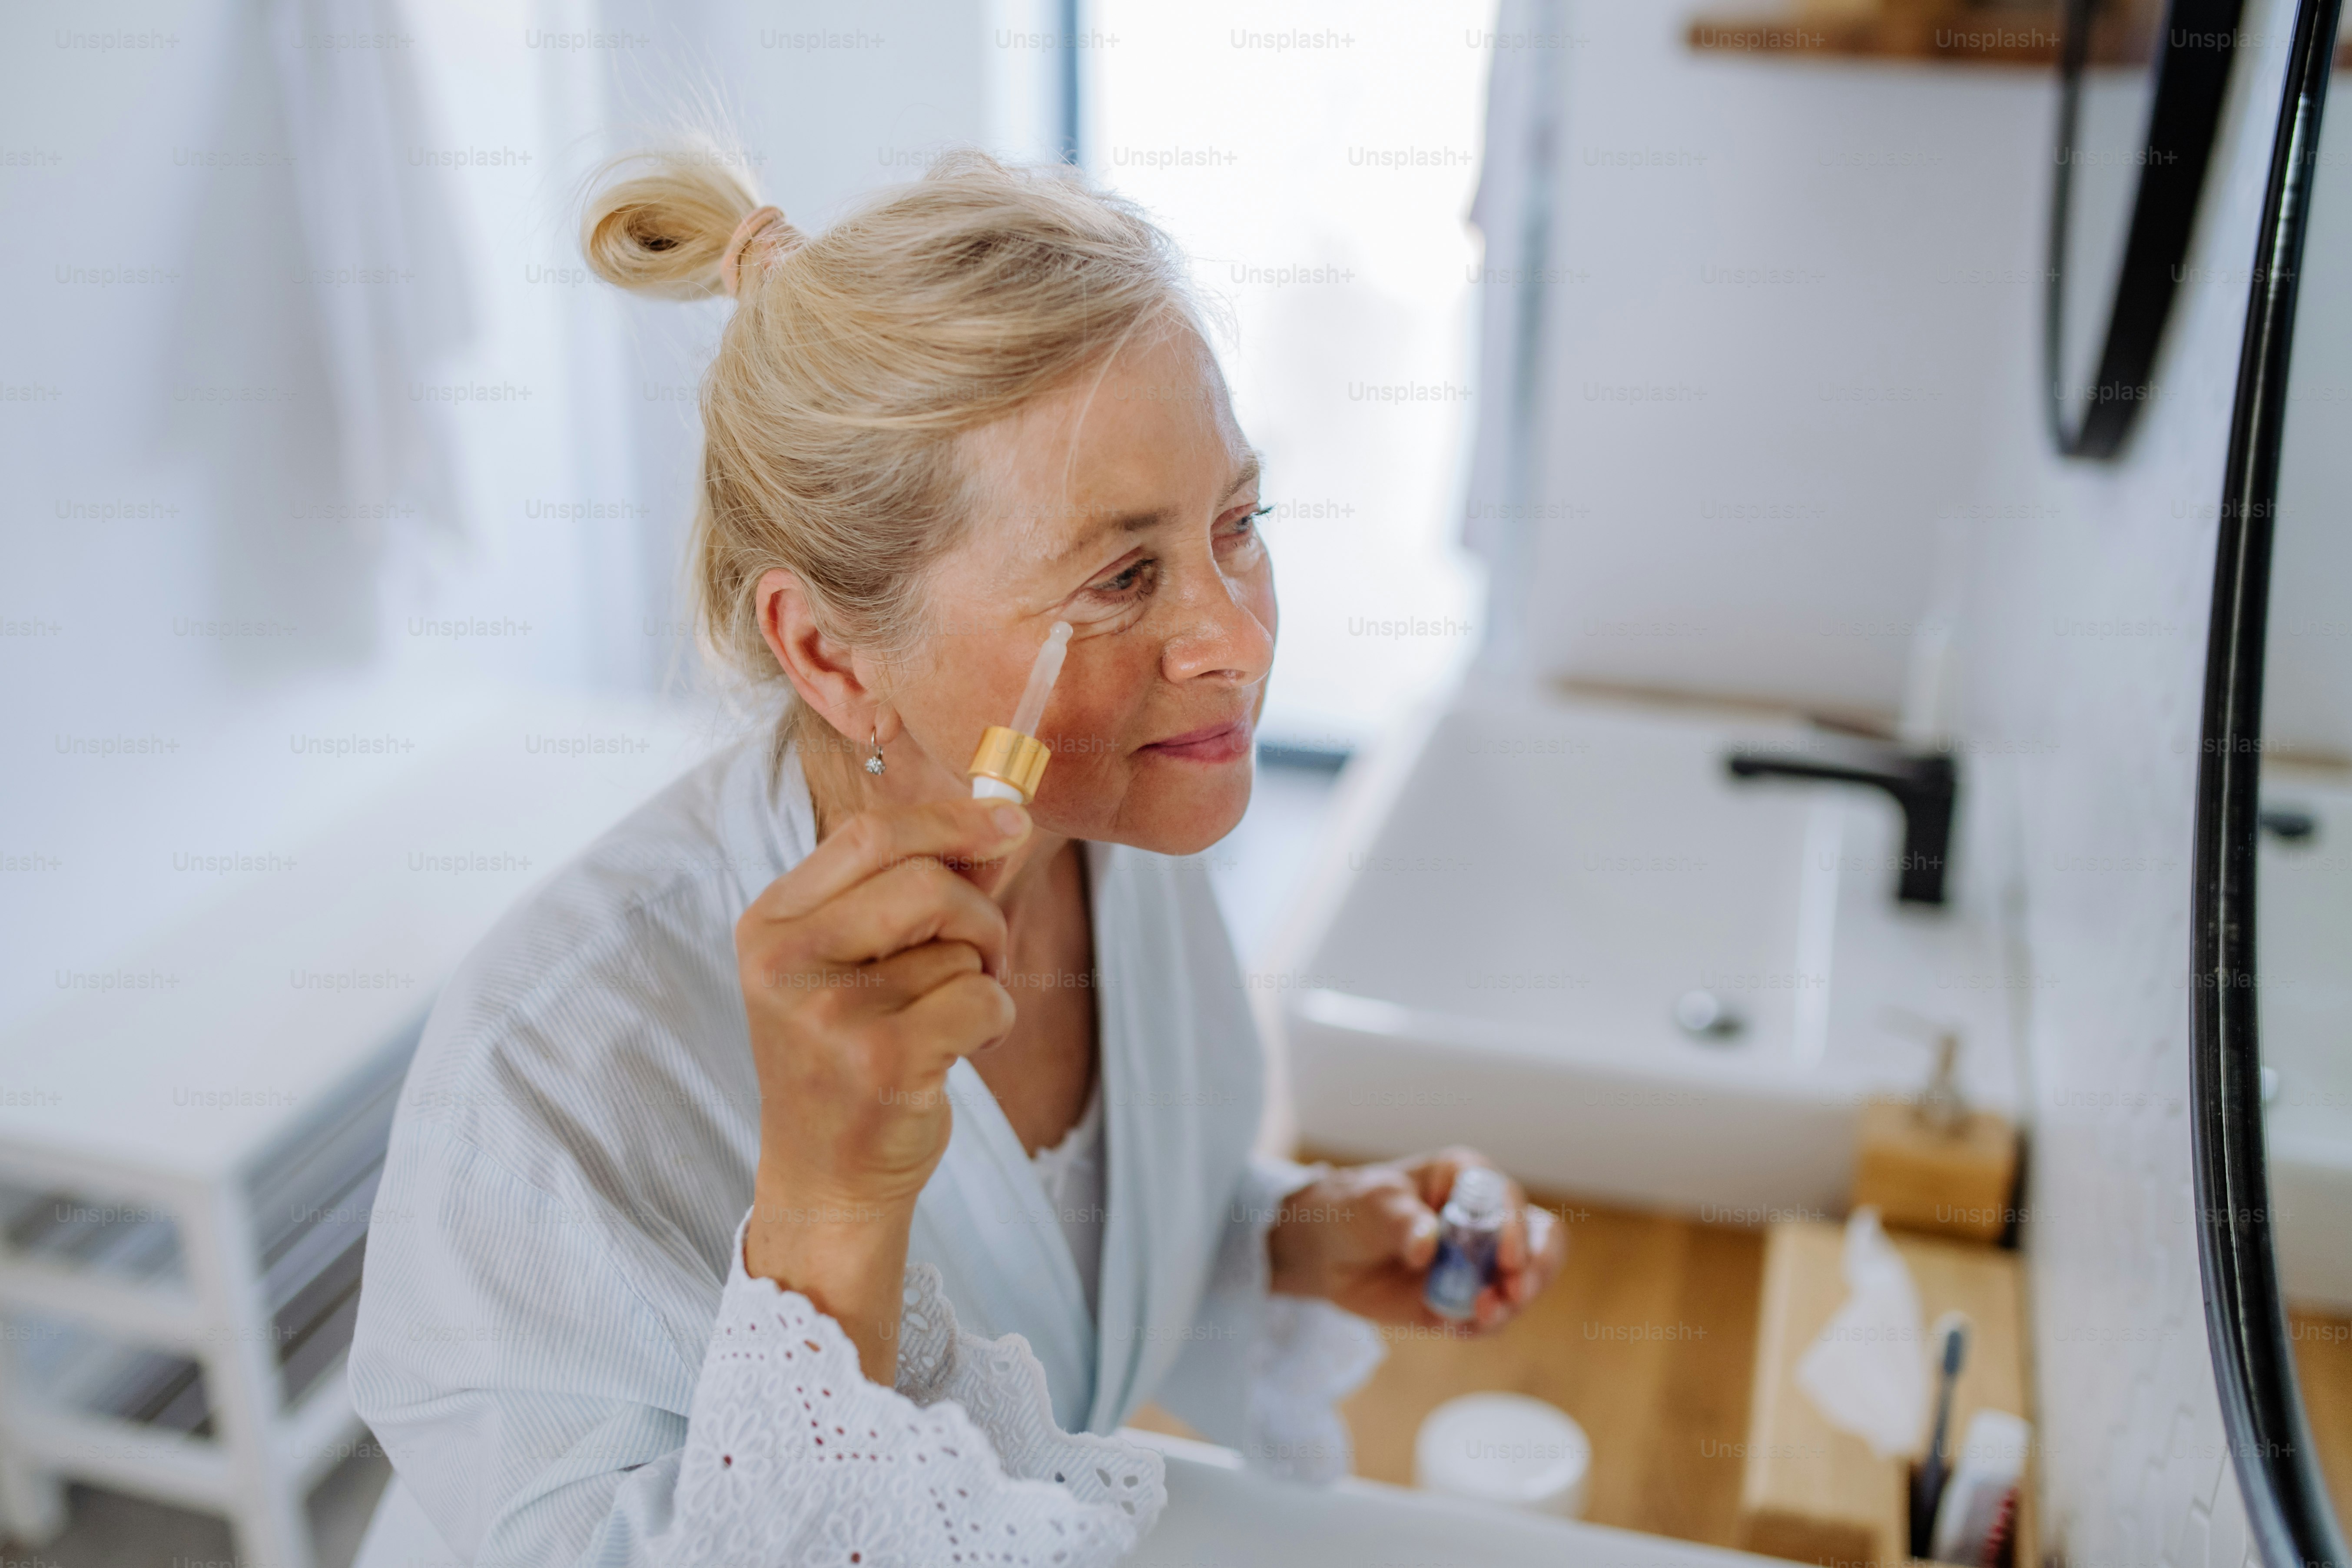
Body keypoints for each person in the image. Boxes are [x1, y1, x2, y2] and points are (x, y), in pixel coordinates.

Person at [347, 140, 1567, 1568]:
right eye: (1121, 577)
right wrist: (824, 1209)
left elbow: (1038, 1265)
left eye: (1240, 523)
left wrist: (1278, 1233)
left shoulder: (1114, 829)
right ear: (829, 651)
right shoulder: (550, 1073)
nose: (1236, 638)